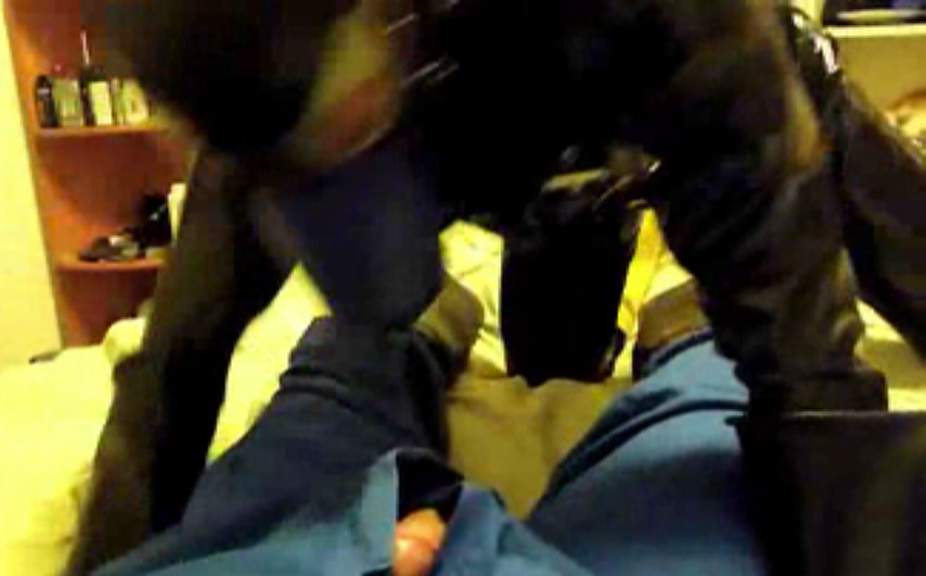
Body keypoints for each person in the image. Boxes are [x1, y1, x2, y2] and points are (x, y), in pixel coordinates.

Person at [66, 0, 926, 573]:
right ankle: (395, 344)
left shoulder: (675, 36)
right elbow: (173, 370)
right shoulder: (251, 92)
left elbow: (808, 367)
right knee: (541, 362)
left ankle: (687, 327)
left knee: (776, 357)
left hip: (664, 80)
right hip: (460, 118)